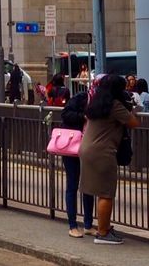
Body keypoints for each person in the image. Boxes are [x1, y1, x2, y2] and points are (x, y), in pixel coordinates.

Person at [80, 74, 139, 244]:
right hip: (103, 152)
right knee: (106, 193)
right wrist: (131, 108)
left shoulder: (97, 103)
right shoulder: (115, 105)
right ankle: (103, 233)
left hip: (87, 149)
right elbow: (134, 122)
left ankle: (102, 228)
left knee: (99, 191)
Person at [60, 87, 96, 237]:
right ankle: (72, 225)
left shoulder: (103, 102)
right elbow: (66, 114)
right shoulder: (82, 97)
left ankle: (88, 224)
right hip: (72, 147)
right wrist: (84, 117)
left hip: (89, 147)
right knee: (72, 185)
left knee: (88, 186)